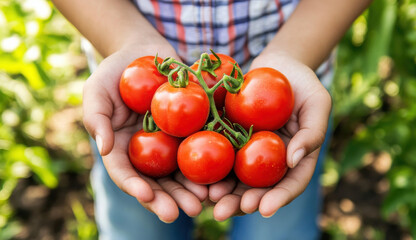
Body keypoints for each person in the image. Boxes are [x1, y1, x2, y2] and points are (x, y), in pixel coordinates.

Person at [52, 0, 372, 239]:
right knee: (138, 228)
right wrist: (124, 42)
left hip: (292, 106)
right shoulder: (151, 93)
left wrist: (296, 53)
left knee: (280, 229)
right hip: (132, 113)